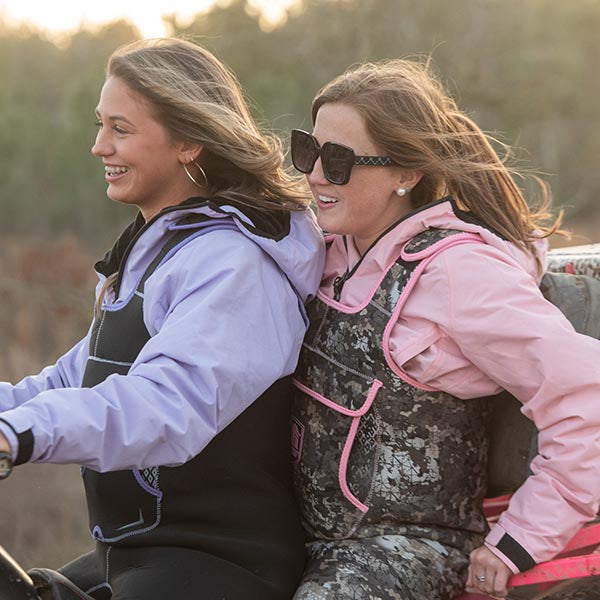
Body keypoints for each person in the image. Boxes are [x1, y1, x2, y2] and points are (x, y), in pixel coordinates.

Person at [0, 38, 324, 600]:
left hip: (216, 565)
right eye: (100, 125)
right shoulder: (155, 253)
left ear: (189, 142)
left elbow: (164, 404)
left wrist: (15, 435)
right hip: (128, 556)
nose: (99, 145)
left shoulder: (235, 264)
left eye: (121, 129)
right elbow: (70, 381)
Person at [289, 58, 600, 600]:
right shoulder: (322, 251)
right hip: (304, 533)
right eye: (307, 151)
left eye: (338, 160)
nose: (314, 175)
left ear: (406, 174)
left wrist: (520, 539)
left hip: (409, 549)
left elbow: (586, 399)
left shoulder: (458, 273)